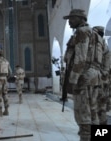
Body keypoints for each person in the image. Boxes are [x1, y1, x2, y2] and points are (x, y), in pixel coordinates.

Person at [63, 9, 101, 140]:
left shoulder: (81, 32)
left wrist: (73, 80)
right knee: (93, 111)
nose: (69, 22)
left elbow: (80, 59)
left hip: (83, 77)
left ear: (80, 18)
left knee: (83, 114)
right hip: (94, 77)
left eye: (71, 18)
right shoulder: (95, 33)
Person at [93, 26, 111, 125]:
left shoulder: (103, 48)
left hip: (101, 82)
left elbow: (105, 69)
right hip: (98, 82)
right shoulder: (99, 46)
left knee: (101, 109)